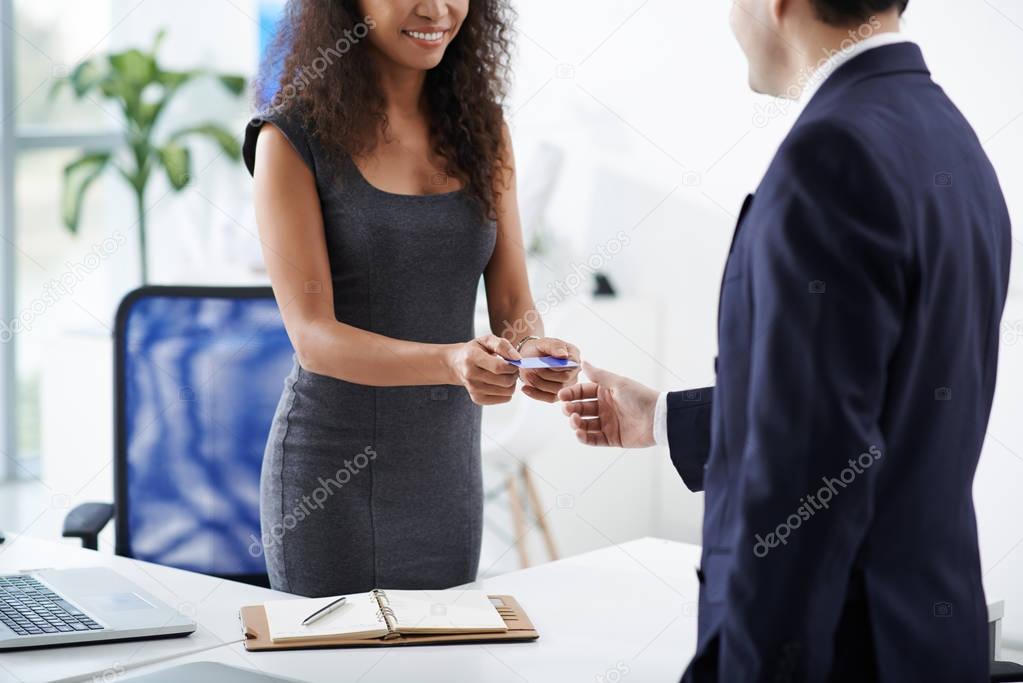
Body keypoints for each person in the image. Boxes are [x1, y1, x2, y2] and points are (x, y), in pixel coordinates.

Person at [559, 0, 1011, 680]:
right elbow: (867, 411)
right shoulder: (951, 139)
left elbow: (803, 489)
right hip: (927, 643)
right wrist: (659, 417)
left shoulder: (827, 157)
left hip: (840, 653)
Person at [244, 0, 580, 598]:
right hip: (330, 481)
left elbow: (512, 301)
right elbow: (314, 338)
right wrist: (452, 361)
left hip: (446, 475)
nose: (436, 8)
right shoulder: (289, 139)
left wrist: (535, 351)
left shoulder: (482, 129)